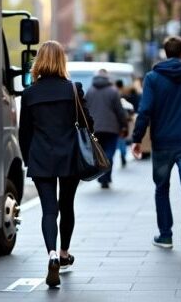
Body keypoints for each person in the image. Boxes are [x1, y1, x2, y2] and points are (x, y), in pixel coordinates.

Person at [19, 40, 93, 288]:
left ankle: (50, 253)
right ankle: (64, 253)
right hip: (69, 157)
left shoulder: (30, 94)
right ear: (62, 60)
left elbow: (24, 132)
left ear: (39, 60)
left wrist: (30, 158)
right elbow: (87, 124)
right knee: (67, 205)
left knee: (49, 210)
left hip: (41, 157)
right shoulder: (73, 89)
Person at [132, 36, 181, 256]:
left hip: (162, 142)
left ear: (165, 53)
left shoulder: (153, 78)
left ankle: (165, 235)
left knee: (162, 188)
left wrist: (137, 138)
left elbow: (145, 110)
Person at [85, 69, 128, 188]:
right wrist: (124, 125)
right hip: (111, 128)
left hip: (95, 128)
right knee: (109, 152)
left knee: (99, 153)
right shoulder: (113, 91)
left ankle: (102, 177)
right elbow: (119, 111)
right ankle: (106, 177)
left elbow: (85, 109)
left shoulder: (90, 91)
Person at [115, 79, 135, 168]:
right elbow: (131, 107)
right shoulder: (125, 95)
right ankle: (123, 155)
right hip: (122, 122)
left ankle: (121, 155)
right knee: (121, 140)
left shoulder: (113, 93)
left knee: (117, 141)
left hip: (114, 122)